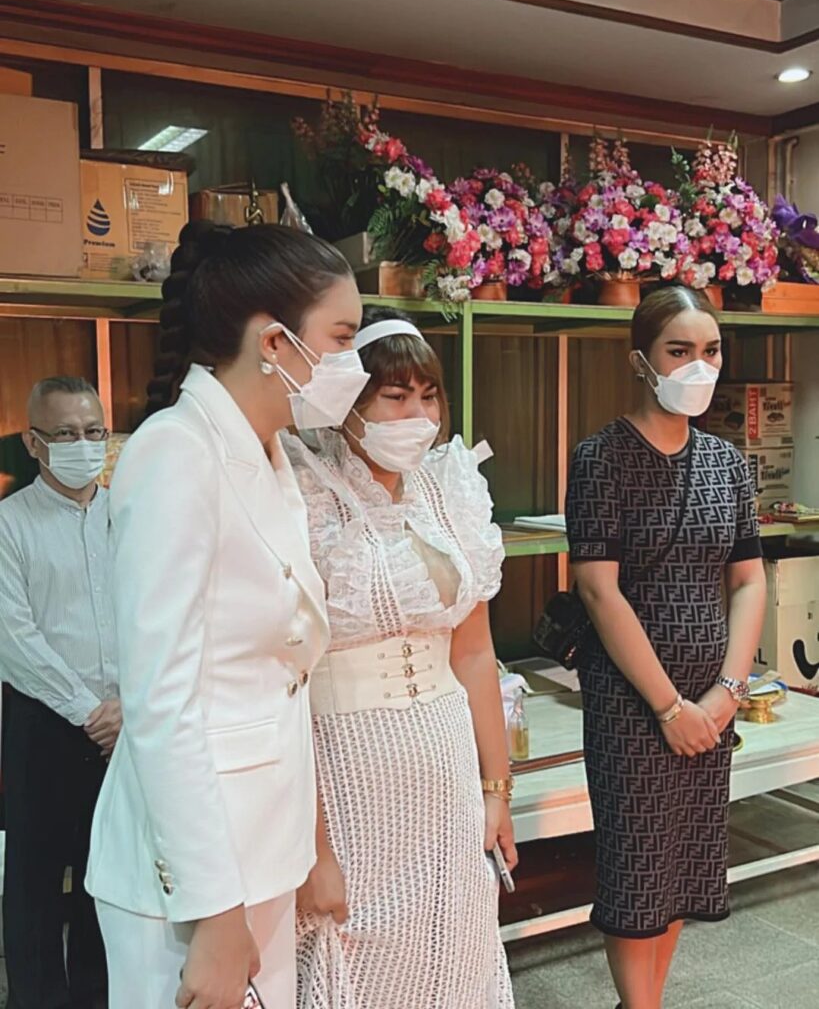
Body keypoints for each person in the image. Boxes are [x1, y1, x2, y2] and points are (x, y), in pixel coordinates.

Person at [84, 221, 370, 1009]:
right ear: (274, 342)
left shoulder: (270, 453)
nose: (352, 363)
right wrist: (213, 911)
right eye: (341, 338)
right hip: (187, 872)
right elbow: (160, 702)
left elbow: (281, 681)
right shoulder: (176, 451)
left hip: (262, 842)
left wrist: (309, 845)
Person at [283, 306, 517, 1009]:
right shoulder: (301, 488)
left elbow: (474, 651)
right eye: (395, 396)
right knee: (353, 944)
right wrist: (311, 845)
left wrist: (496, 790)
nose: (417, 415)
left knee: (454, 943)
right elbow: (286, 677)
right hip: (346, 762)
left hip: (444, 757)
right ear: (348, 403)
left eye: (428, 396)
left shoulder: (450, 488)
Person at [565, 286, 767, 1009]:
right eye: (678, 351)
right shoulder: (601, 459)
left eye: (710, 350)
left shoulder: (726, 462)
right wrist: (669, 707)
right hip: (634, 701)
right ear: (641, 362)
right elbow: (598, 592)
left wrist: (726, 693)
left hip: (712, 703)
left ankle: (645, 1001)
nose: (698, 366)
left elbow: (748, 580)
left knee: (682, 863)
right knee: (636, 866)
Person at [0, 376, 119, 1009]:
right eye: (66, 434)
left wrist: (129, 705)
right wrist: (89, 710)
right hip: (44, 721)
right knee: (36, 881)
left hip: (126, 724)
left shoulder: (132, 515)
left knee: (111, 875)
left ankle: (103, 996)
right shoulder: (9, 523)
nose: (83, 445)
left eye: (94, 432)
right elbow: (12, 636)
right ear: (33, 442)